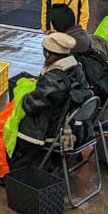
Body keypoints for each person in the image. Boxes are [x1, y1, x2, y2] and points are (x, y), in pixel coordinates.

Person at [9, 32, 92, 171]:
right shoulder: (77, 69)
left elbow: (30, 105)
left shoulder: (52, 79)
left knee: (7, 122)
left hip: (48, 130)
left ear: (47, 53)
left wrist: (23, 91)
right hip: (70, 125)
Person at [49, 4, 108, 104]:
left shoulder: (59, 55)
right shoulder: (95, 40)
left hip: (79, 109)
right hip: (104, 105)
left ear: (55, 28)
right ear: (74, 20)